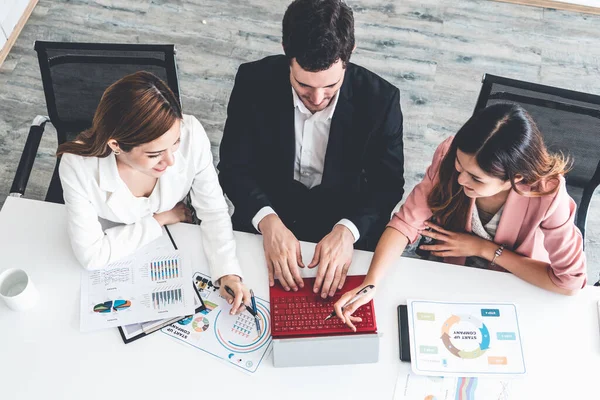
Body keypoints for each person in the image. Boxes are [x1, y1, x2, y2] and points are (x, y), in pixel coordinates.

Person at [334, 103, 587, 331]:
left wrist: (485, 248)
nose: (461, 180)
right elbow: (405, 223)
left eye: (476, 178)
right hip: (451, 276)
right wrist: (372, 283)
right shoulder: (449, 154)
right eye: (460, 166)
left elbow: (569, 282)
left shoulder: (548, 195)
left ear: (517, 179)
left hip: (514, 285)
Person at [218, 0, 405, 299]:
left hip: (344, 221)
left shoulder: (381, 101)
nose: (317, 98)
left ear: (350, 52)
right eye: (303, 85)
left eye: (330, 86)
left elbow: (387, 185)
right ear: (285, 50)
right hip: (266, 213)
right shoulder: (253, 82)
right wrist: (266, 220)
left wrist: (348, 230)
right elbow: (232, 167)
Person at [57, 71, 249, 314]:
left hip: (176, 245)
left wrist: (228, 272)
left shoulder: (191, 133)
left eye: (175, 143)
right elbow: (92, 256)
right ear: (116, 145)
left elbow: (212, 209)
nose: (170, 161)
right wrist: (160, 219)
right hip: (127, 258)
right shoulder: (77, 166)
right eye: (154, 154)